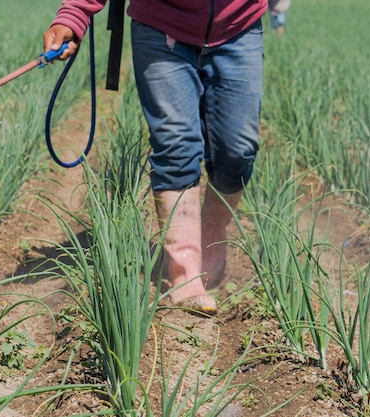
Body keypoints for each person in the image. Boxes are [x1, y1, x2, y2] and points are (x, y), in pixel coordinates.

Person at [43, 0, 267, 316]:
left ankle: (212, 237)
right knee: (176, 145)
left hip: (239, 26)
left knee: (238, 150)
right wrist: (75, 14)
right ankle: (184, 271)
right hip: (162, 23)